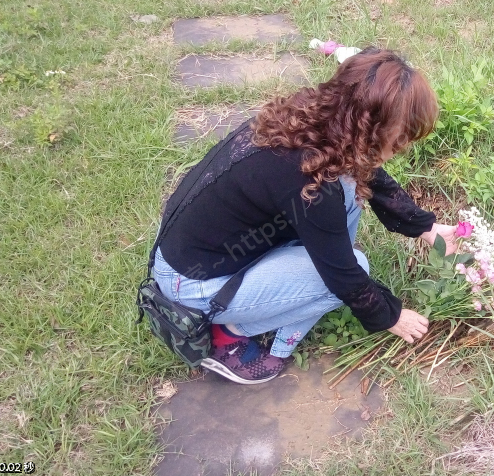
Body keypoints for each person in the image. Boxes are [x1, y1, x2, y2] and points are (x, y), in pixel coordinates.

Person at [150, 48, 459, 385]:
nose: (403, 148)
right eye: (400, 139)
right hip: (192, 285)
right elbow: (345, 279)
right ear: (370, 130)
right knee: (349, 270)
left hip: (189, 251)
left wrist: (427, 227)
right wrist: (391, 316)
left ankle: (289, 284)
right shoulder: (311, 184)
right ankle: (228, 332)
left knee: (349, 192)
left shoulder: (308, 121)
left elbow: (368, 175)